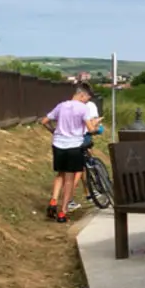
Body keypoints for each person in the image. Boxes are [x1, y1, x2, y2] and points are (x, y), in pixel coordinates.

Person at [40, 83, 102, 223]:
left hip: (58, 144)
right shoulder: (83, 109)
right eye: (87, 98)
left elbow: (44, 121)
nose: (87, 101)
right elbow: (90, 129)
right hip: (73, 145)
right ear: (82, 95)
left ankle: (53, 201)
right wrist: (96, 124)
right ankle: (63, 212)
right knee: (69, 179)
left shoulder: (61, 106)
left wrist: (53, 131)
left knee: (60, 174)